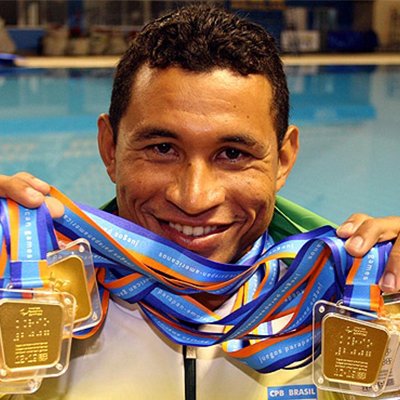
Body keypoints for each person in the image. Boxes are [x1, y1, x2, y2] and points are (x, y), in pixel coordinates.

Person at [0, 4, 399, 400]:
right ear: (110, 149)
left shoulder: (346, 301)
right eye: (162, 148)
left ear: (283, 159)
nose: (194, 198)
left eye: (233, 154)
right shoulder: (28, 294)